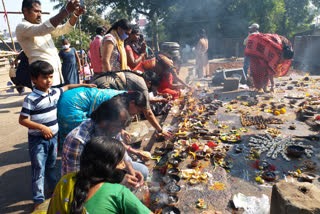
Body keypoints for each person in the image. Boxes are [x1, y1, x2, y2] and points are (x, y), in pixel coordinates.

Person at [18, 60, 95, 208]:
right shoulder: (31, 99)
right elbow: (23, 120)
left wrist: (84, 85)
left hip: (53, 138)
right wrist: (41, 127)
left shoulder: (54, 92)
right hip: (38, 139)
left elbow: (66, 87)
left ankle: (53, 190)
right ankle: (38, 200)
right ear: (34, 79)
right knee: (38, 169)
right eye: (44, 78)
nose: (49, 81)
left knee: (52, 165)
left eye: (51, 77)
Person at [48, 137, 152, 214]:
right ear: (107, 167)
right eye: (120, 162)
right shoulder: (118, 193)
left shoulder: (65, 180)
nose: (124, 165)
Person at [61, 97, 149, 184]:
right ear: (104, 122)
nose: (121, 130)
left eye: (123, 125)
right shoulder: (78, 140)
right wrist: (119, 178)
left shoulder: (113, 129)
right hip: (85, 182)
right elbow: (75, 179)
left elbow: (121, 151)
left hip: (106, 168)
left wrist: (130, 168)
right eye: (119, 125)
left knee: (143, 171)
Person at [16, 0, 85, 87]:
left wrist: (75, 15)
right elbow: (43, 28)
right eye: (36, 11)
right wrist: (66, 11)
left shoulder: (42, 28)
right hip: (42, 80)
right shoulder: (22, 27)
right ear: (25, 11)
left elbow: (63, 29)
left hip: (56, 78)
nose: (39, 15)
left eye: (40, 11)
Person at [91, 70, 173, 139]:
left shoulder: (138, 76)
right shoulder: (143, 85)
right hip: (104, 86)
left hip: (101, 83)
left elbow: (144, 100)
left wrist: (160, 99)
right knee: (104, 121)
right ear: (149, 83)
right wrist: (160, 131)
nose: (136, 113)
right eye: (151, 89)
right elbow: (148, 112)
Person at [57, 89, 146, 146]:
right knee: (78, 141)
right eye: (138, 110)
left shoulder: (125, 97)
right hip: (73, 104)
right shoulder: (116, 103)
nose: (136, 114)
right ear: (132, 102)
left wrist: (121, 131)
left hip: (71, 96)